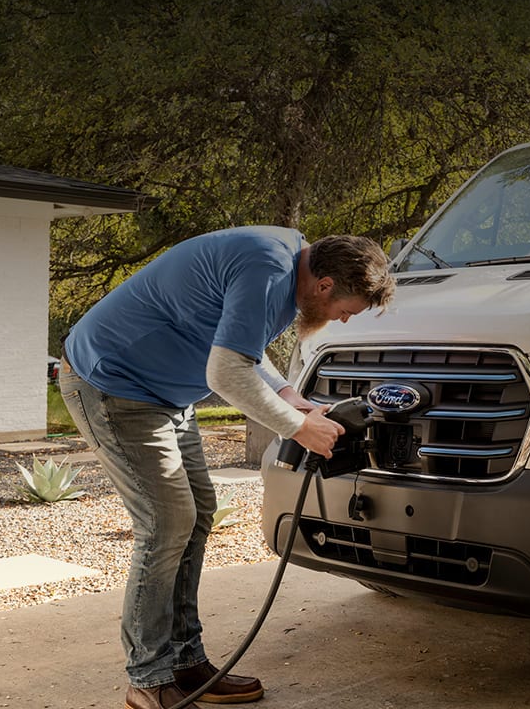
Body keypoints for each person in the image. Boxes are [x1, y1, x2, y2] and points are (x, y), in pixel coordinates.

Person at [58, 227, 395, 709]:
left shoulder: (287, 263)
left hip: (165, 395)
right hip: (114, 385)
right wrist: (299, 430)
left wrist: (290, 398)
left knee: (197, 514)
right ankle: (148, 680)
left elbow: (241, 352)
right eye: (346, 311)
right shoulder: (267, 269)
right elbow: (226, 374)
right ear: (324, 286)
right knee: (166, 523)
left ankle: (185, 663)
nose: (342, 321)